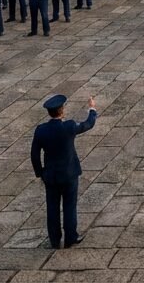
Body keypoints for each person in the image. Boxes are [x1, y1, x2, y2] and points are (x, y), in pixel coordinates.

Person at [30, 94, 98, 249]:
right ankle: (71, 237)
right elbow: (88, 124)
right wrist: (92, 109)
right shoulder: (69, 126)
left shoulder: (41, 130)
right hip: (69, 174)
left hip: (51, 176)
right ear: (62, 111)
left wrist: (40, 173)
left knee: (52, 207)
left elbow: (34, 154)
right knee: (69, 206)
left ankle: (55, 240)